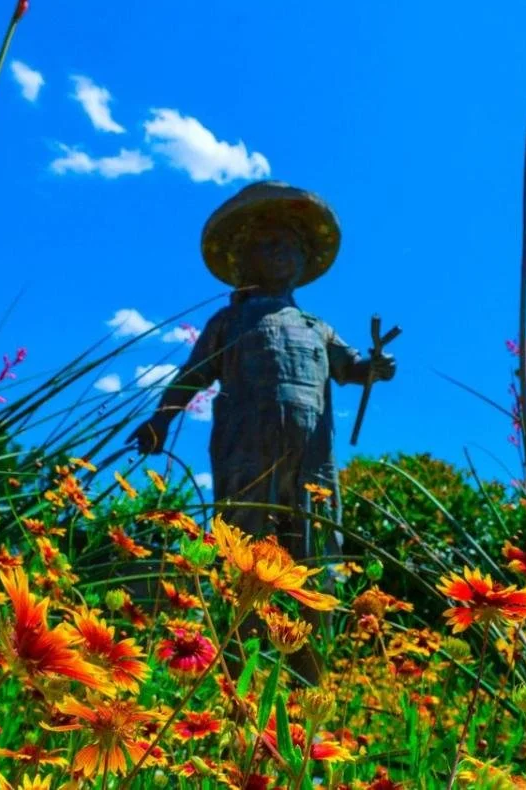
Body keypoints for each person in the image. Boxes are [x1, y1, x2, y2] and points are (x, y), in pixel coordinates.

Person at [127, 181, 396, 683]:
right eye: (268, 244)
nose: (281, 253)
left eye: (290, 245)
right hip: (246, 450)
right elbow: (192, 375)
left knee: (315, 550)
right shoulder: (230, 321)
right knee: (248, 552)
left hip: (312, 456)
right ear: (244, 257)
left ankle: (310, 678)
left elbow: (351, 366)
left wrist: (374, 368)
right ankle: (240, 675)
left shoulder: (315, 327)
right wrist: (161, 418)